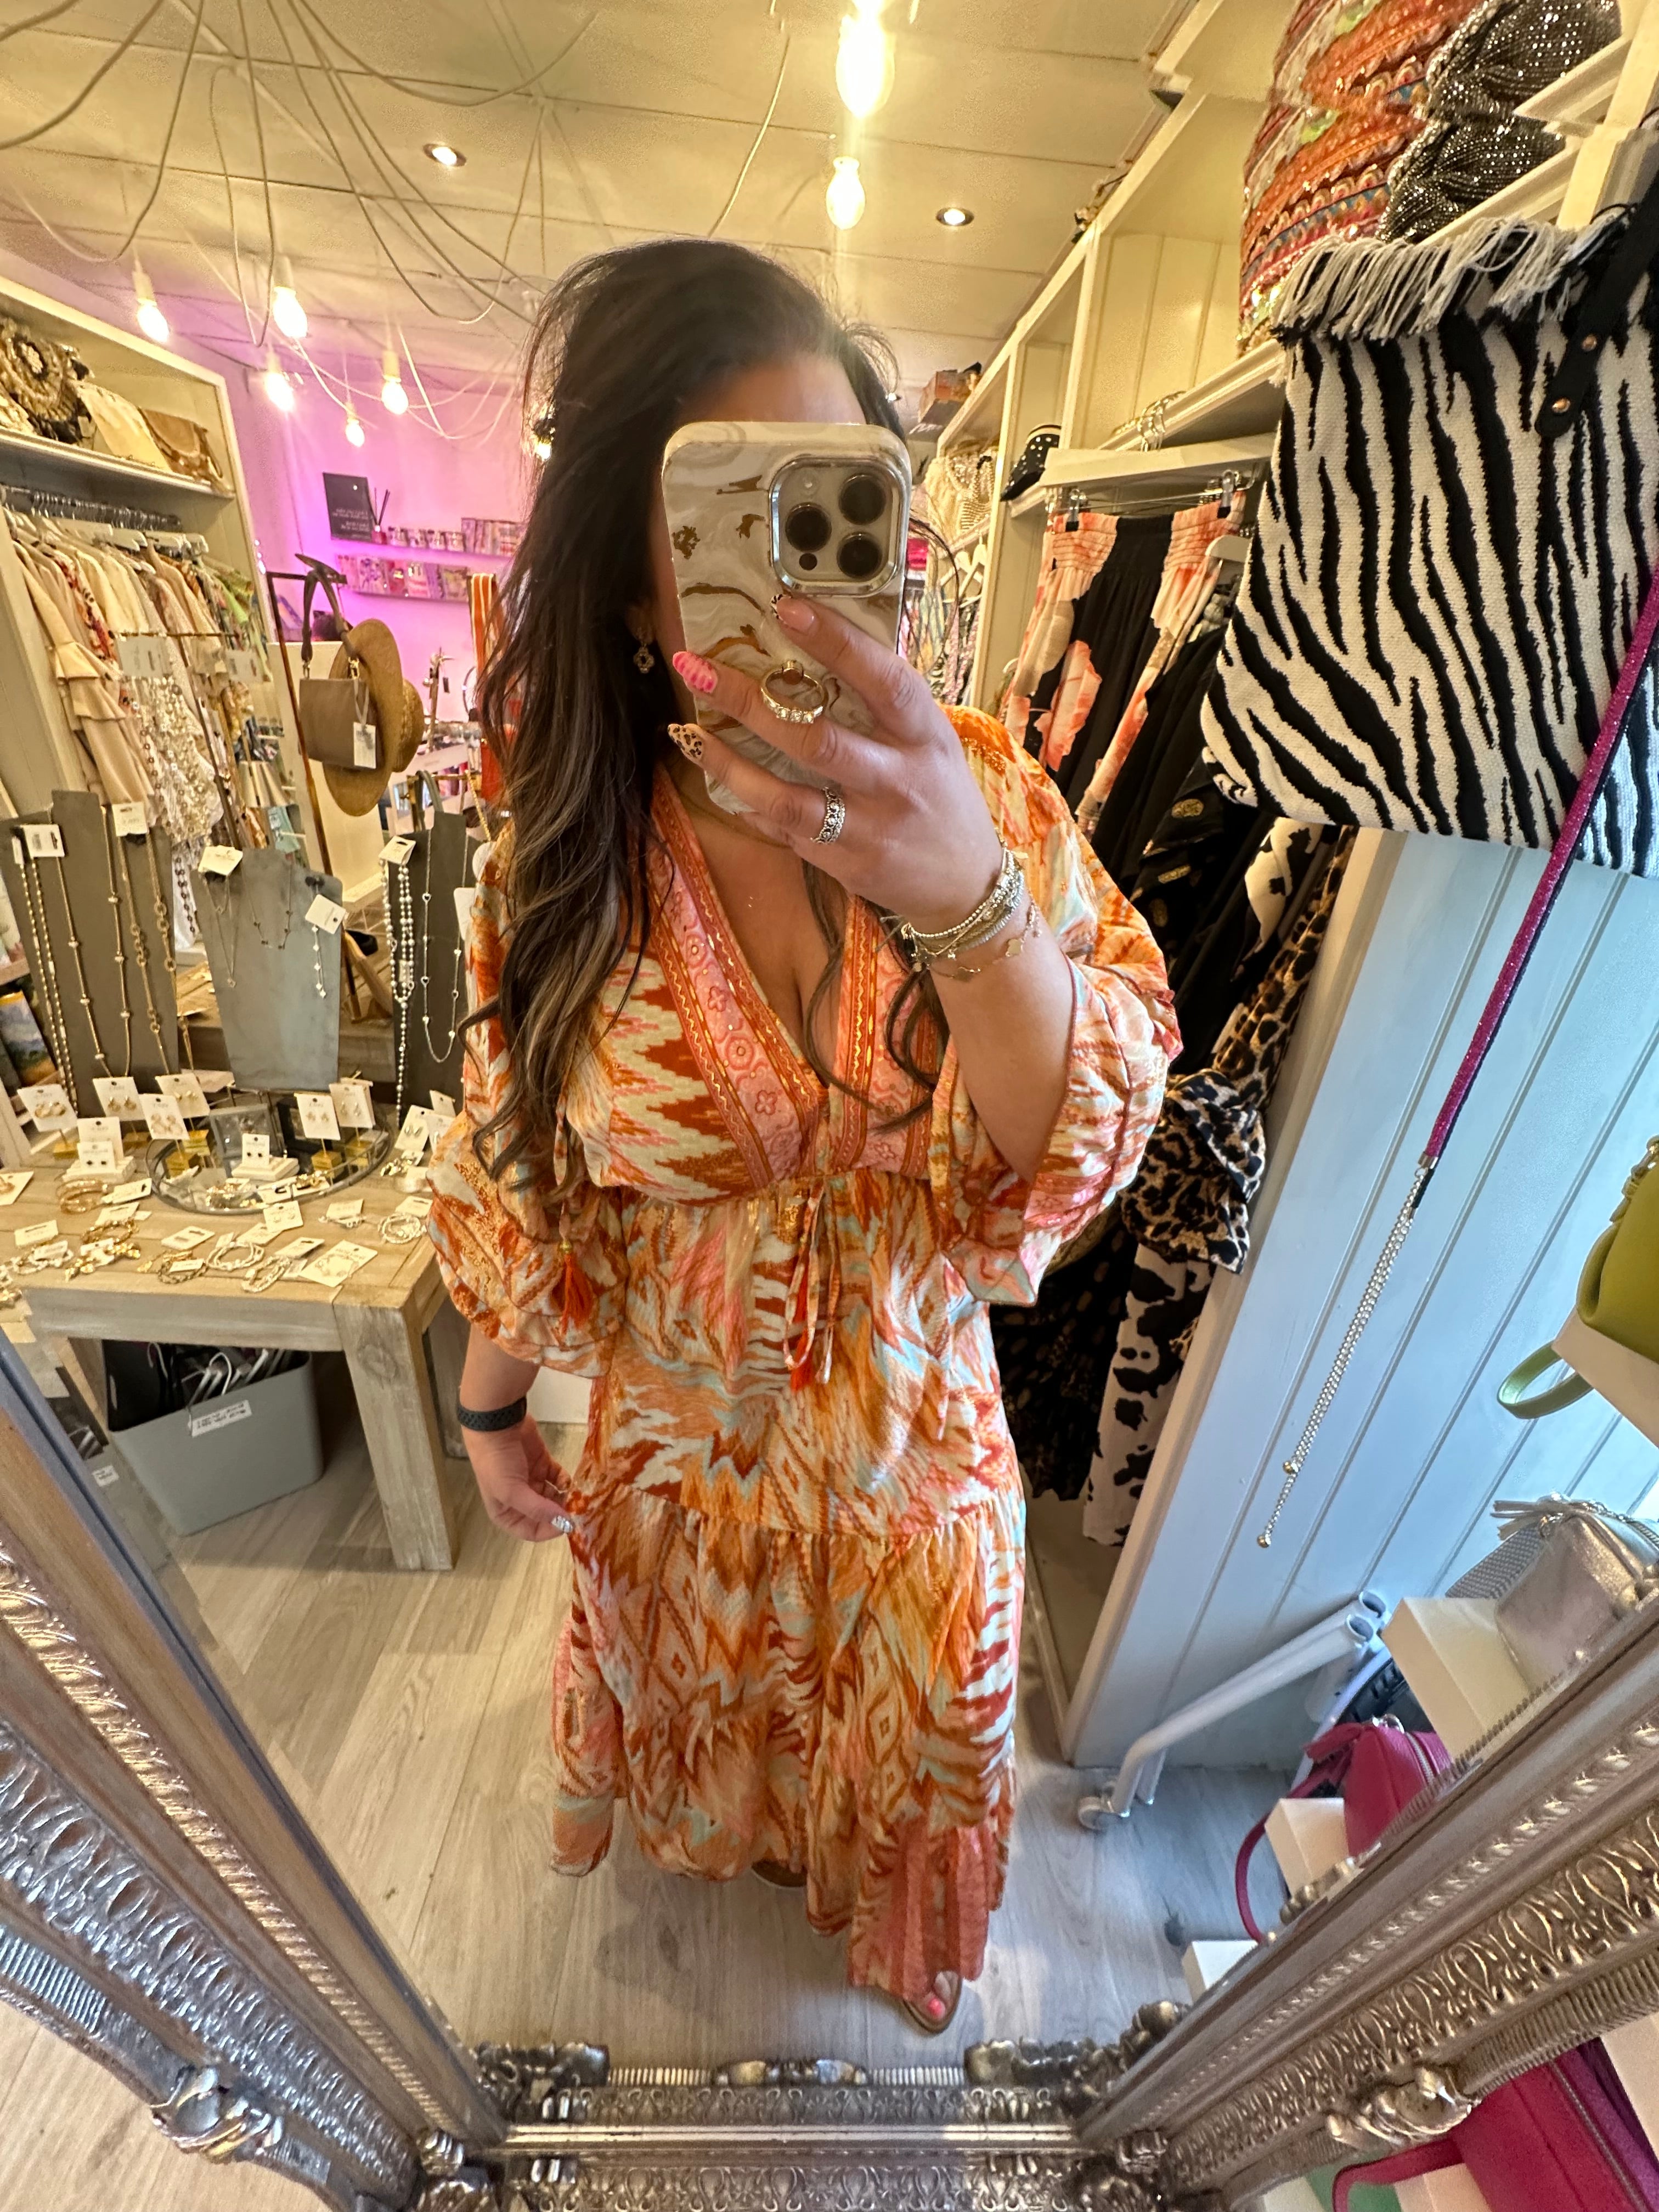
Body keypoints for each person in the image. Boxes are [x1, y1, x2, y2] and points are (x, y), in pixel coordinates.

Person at [427, 237, 1177, 2034]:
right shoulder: (563, 855)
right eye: (732, 514)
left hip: (920, 1486)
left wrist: (967, 897)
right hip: (677, 1491)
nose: (800, 575)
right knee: (726, 1778)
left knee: (905, 1785)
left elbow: (1080, 1153)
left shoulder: (986, 792)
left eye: (834, 498)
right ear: (636, 578)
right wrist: (488, 1404)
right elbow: (532, 1168)